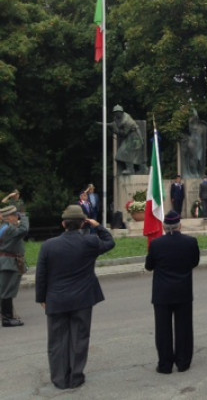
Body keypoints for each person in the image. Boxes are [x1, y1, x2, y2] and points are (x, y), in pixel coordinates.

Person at [35, 205, 115, 389]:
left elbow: (41, 274)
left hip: (56, 298)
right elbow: (110, 242)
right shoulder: (90, 242)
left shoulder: (49, 245)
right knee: (79, 338)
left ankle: (59, 379)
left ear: (63, 224)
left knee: (57, 341)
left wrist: (42, 299)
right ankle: (76, 376)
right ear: (82, 224)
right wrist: (97, 226)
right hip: (82, 298)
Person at [145, 211, 200, 373]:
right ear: (180, 226)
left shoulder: (156, 244)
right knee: (184, 328)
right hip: (183, 290)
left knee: (163, 330)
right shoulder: (190, 242)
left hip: (162, 292)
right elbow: (194, 262)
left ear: (164, 227)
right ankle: (183, 362)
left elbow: (149, 266)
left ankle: (165, 364)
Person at [0, 205, 29, 326]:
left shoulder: (5, 228)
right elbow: (24, 230)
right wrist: (24, 217)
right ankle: (7, 319)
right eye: (15, 215)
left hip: (7, 261)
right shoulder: (8, 229)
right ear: (9, 217)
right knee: (7, 291)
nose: (17, 217)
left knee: (6, 290)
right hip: (9, 263)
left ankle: (8, 315)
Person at [107, 105, 146, 175]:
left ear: (121, 112)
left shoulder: (127, 120)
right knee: (130, 154)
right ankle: (141, 169)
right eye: (115, 112)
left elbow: (124, 133)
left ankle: (131, 169)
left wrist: (115, 130)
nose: (116, 114)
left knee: (124, 152)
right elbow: (115, 124)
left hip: (135, 137)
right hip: (129, 137)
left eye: (118, 112)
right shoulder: (117, 118)